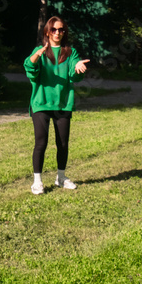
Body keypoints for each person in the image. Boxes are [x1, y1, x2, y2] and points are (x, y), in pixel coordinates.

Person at [24, 16, 89, 195]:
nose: (58, 33)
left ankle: (61, 177)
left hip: (62, 104)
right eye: (54, 29)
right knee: (41, 143)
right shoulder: (40, 51)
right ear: (47, 31)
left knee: (62, 143)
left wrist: (77, 69)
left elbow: (73, 76)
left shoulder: (70, 52)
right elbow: (30, 70)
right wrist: (38, 54)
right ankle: (37, 182)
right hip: (41, 103)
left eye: (61, 30)